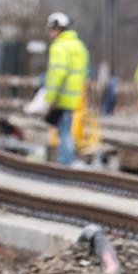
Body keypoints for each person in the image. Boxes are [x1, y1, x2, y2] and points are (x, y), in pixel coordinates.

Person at [44, 12, 89, 166]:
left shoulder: (59, 47)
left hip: (61, 97)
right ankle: (67, 162)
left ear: (56, 29)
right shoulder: (78, 46)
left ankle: (64, 164)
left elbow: (58, 73)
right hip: (75, 96)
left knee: (64, 134)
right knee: (68, 131)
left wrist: (51, 97)